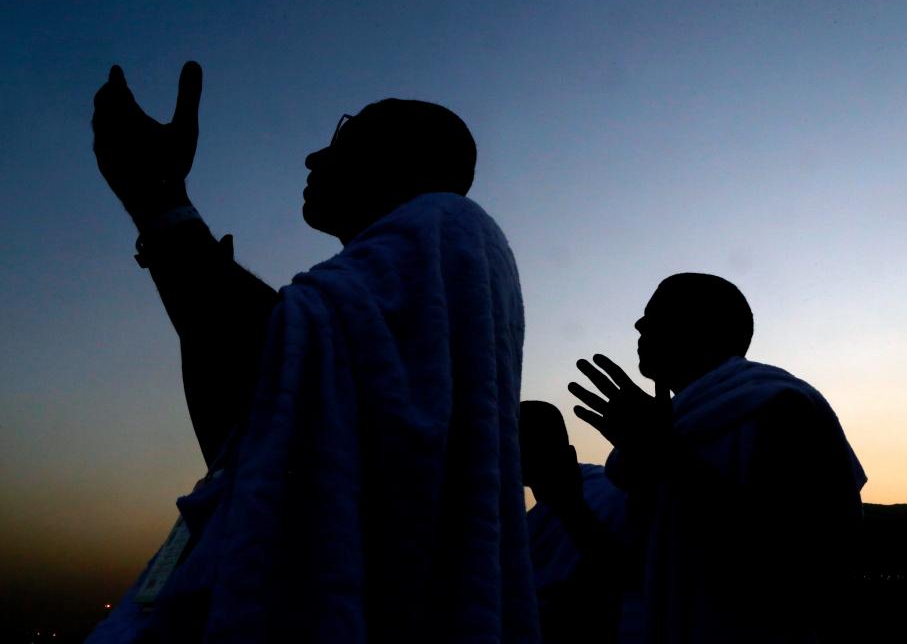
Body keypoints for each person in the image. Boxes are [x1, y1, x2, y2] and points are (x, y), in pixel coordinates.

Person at [87, 62, 539, 643]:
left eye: (343, 137)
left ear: (400, 157)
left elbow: (265, 362)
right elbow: (251, 432)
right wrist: (190, 270)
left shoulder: (445, 222)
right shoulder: (408, 270)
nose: (313, 158)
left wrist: (162, 203)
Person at [524, 273, 866, 642]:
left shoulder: (779, 404)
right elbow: (634, 577)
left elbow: (801, 560)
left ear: (706, 326)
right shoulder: (673, 427)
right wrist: (570, 505)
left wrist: (663, 453)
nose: (639, 324)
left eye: (656, 313)